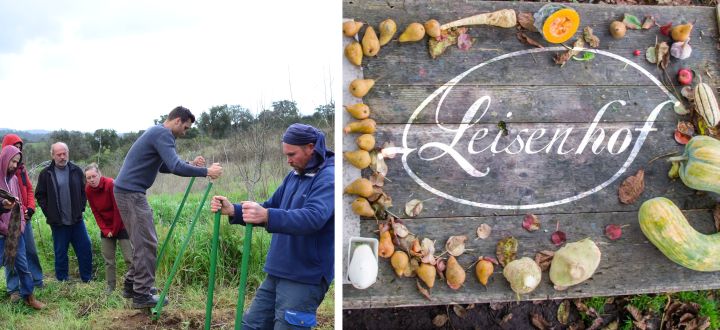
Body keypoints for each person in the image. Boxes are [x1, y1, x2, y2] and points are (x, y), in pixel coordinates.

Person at [211, 123, 334, 330]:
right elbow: (270, 207)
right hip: (278, 271)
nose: (288, 160)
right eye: (286, 154)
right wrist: (235, 210)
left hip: (305, 275)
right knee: (250, 326)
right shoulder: (294, 175)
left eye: (292, 154)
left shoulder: (328, 177)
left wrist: (267, 215)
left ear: (311, 147)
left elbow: (313, 217)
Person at [114, 106, 223, 309]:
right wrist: (206, 171)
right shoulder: (163, 134)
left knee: (143, 241)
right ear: (177, 121)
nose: (185, 132)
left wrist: (191, 163)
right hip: (131, 193)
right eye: (186, 127)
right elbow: (175, 166)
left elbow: (163, 165)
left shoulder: (157, 132)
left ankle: (133, 285)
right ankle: (141, 294)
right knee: (147, 243)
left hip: (128, 191)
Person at [35, 142, 93, 283]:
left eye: (64, 153)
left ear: (68, 153)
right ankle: (62, 281)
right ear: (53, 155)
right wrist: (50, 213)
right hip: (58, 223)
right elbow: (40, 195)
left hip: (76, 220)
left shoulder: (76, 171)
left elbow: (83, 191)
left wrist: (81, 208)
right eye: (59, 154)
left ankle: (87, 279)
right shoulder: (46, 174)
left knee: (85, 248)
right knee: (61, 253)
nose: (62, 157)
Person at [0, 145, 45, 309]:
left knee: (23, 266)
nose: (14, 165)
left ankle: (29, 297)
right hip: (1, 234)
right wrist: (4, 227)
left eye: (16, 162)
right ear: (4, 159)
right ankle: (13, 291)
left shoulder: (13, 180)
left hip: (15, 233)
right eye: (12, 161)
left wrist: (22, 225)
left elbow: (19, 205)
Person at [84, 163, 132, 295]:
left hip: (121, 224)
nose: (92, 180)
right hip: (106, 228)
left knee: (129, 258)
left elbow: (118, 208)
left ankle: (134, 286)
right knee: (108, 260)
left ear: (100, 174)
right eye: (88, 178)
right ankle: (110, 287)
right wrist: (105, 230)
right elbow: (95, 212)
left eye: (94, 176)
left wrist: (114, 229)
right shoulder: (88, 189)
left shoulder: (111, 184)